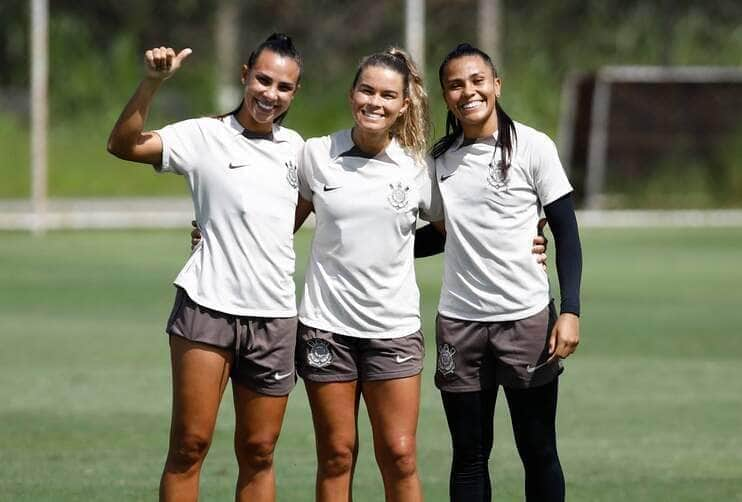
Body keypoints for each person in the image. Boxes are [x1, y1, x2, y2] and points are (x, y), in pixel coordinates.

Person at [106, 34, 304, 502]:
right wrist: (153, 82)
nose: (270, 94)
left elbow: (305, 207)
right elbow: (122, 145)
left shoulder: (300, 149)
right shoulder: (203, 135)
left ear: (295, 92)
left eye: (284, 86)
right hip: (205, 311)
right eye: (263, 79)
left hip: (275, 317)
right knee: (189, 446)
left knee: (259, 451)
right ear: (244, 75)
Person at [423, 43, 582, 502]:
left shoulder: (533, 146)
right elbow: (444, 234)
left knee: (538, 450)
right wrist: (372, 245)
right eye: (455, 85)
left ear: (496, 84)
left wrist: (570, 310)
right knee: (469, 456)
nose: (467, 92)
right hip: (459, 324)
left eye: (476, 81)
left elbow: (567, 237)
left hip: (527, 320)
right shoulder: (441, 160)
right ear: (446, 95)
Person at [292, 47, 435, 502]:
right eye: (367, 91)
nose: (375, 102)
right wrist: (213, 234)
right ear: (352, 93)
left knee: (399, 455)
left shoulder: (416, 167)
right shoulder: (317, 155)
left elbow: (454, 231)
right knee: (336, 454)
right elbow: (277, 224)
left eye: (387, 95)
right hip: (325, 329)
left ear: (403, 104)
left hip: (392, 330)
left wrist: (531, 238)